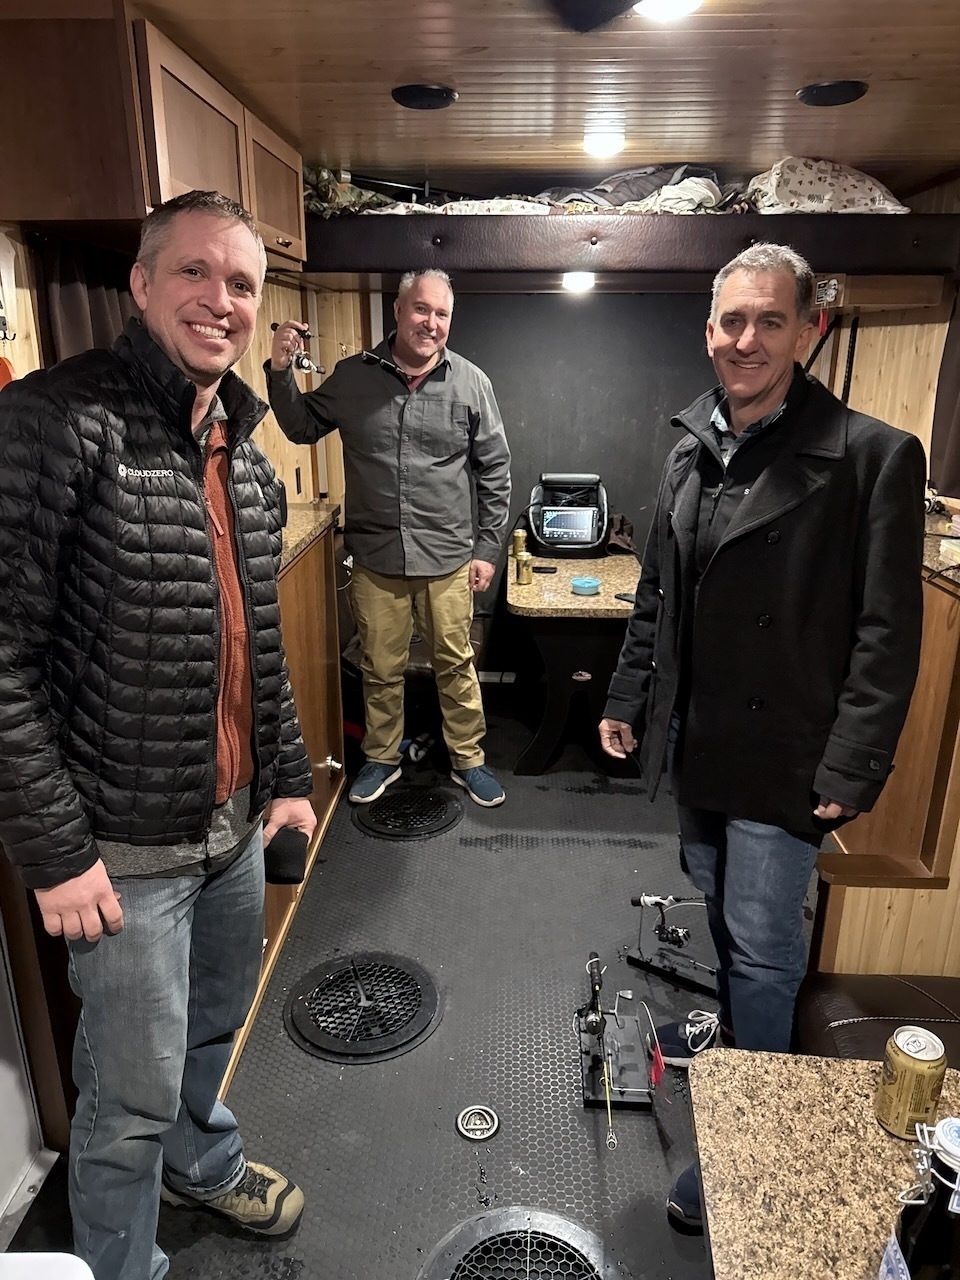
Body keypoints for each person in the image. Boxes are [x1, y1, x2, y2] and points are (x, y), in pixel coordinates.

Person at [0, 190, 318, 1280]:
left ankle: (205, 1158)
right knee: (125, 1095)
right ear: (141, 284)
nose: (219, 301)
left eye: (239, 283)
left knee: (211, 1025)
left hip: (226, 827)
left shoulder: (243, 447)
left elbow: (251, 640)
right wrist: (56, 852)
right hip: (121, 849)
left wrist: (281, 772)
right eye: (195, 273)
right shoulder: (55, 422)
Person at [599, 242, 925, 1228]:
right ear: (709, 332)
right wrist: (627, 695)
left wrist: (855, 759)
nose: (746, 339)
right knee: (726, 913)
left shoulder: (872, 455)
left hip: (790, 751)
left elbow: (887, 628)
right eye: (730, 321)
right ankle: (738, 1044)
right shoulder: (692, 442)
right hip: (705, 742)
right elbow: (660, 590)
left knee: (765, 942)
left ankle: (756, 1149)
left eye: (768, 320)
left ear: (807, 328)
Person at [267, 269, 511, 807]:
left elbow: (495, 470)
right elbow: (302, 426)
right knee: (380, 667)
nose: (431, 323)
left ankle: (468, 759)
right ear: (399, 311)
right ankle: (382, 758)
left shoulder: (473, 383)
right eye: (421, 309)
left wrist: (487, 550)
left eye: (442, 314)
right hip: (376, 557)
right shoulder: (354, 377)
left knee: (455, 663)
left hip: (448, 557)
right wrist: (281, 371)